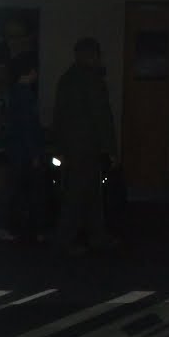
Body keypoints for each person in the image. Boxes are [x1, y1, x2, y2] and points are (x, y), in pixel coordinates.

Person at [51, 37, 117, 255]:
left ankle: (91, 236)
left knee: (82, 192)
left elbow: (59, 116)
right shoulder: (93, 80)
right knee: (84, 193)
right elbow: (101, 116)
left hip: (71, 146)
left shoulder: (67, 79)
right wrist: (109, 147)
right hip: (88, 145)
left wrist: (59, 146)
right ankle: (70, 239)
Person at [0, 50, 46, 242]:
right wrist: (35, 153)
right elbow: (29, 127)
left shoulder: (13, 94)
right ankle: (28, 229)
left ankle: (13, 227)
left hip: (15, 149)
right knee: (28, 191)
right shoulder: (26, 96)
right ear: (30, 71)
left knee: (16, 190)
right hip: (25, 151)